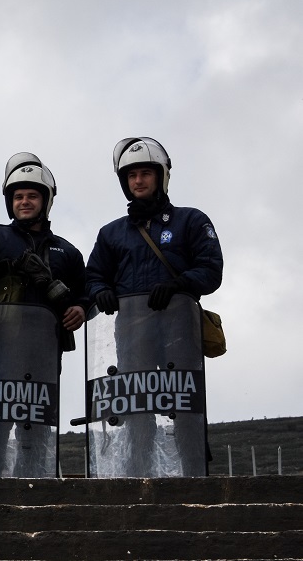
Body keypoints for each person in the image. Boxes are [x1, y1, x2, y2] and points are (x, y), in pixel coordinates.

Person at [85, 136, 223, 476]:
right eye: (131, 176)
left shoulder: (191, 220)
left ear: (161, 177)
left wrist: (180, 284)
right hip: (132, 332)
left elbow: (211, 270)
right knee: (137, 408)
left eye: (146, 173)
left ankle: (194, 476)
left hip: (179, 329)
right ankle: (137, 476)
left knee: (184, 405)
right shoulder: (111, 233)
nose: (138, 181)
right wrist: (100, 290)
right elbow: (91, 277)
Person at [0, 153, 87, 477]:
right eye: (18, 196)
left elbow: (87, 290)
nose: (24, 202)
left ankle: (34, 490)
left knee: (37, 422)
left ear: (46, 200)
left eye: (32, 196)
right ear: (10, 201)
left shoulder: (67, 251)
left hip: (43, 350)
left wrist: (82, 308)